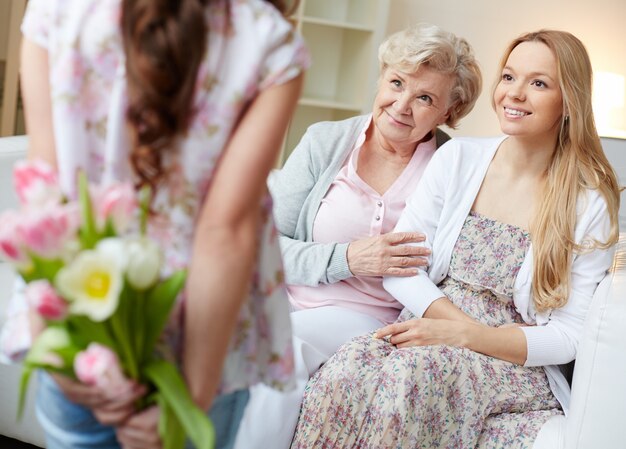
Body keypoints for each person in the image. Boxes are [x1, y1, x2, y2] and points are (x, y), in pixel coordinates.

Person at [291, 29, 620, 449]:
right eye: (508, 77)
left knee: (412, 381)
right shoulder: (459, 158)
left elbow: (569, 335)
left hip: (511, 358)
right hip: (429, 329)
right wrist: (450, 327)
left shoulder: (588, 200)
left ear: (569, 101)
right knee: (342, 374)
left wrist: (468, 337)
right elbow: (402, 268)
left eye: (538, 83)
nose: (515, 94)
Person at [16, 0, 309, 448]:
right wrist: (188, 399)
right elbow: (224, 234)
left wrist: (51, 342)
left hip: (83, 326)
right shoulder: (268, 42)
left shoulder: (56, 9)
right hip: (203, 347)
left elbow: (45, 193)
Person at [233, 23, 482, 449]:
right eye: (396, 83)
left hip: (372, 318)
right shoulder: (326, 141)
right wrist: (348, 258)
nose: (401, 105)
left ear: (447, 112)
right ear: (382, 76)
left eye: (424, 97)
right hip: (286, 300)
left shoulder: (456, 167)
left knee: (280, 354)